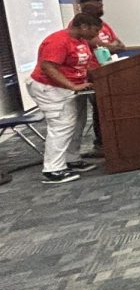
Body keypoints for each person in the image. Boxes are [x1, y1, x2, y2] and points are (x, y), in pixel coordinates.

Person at [27, 13, 102, 183]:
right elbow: (48, 67)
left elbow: (83, 64)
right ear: (83, 27)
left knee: (77, 123)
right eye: (94, 31)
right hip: (50, 88)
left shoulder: (81, 40)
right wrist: (72, 86)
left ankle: (71, 159)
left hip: (71, 89)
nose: (96, 36)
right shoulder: (58, 41)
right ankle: (53, 169)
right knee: (61, 126)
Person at [77, 0, 124, 158]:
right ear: (84, 7)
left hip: (110, 69)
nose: (100, 9)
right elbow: (105, 46)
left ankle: (114, 140)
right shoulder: (81, 27)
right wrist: (110, 46)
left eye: (101, 6)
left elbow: (119, 44)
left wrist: (110, 46)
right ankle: (101, 144)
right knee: (100, 109)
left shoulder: (103, 24)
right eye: (97, 7)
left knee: (111, 108)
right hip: (93, 74)